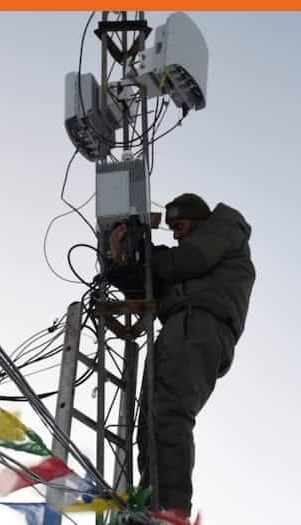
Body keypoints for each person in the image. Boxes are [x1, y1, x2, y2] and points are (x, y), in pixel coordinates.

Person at [109, 193, 255, 524]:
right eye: (172, 228)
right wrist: (122, 260)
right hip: (179, 328)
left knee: (170, 413)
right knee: (150, 424)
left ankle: (170, 512)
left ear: (199, 220)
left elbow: (185, 261)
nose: (175, 234)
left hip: (200, 326)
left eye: (181, 226)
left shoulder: (224, 229)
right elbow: (148, 288)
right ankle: (151, 505)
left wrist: (145, 249)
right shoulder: (181, 267)